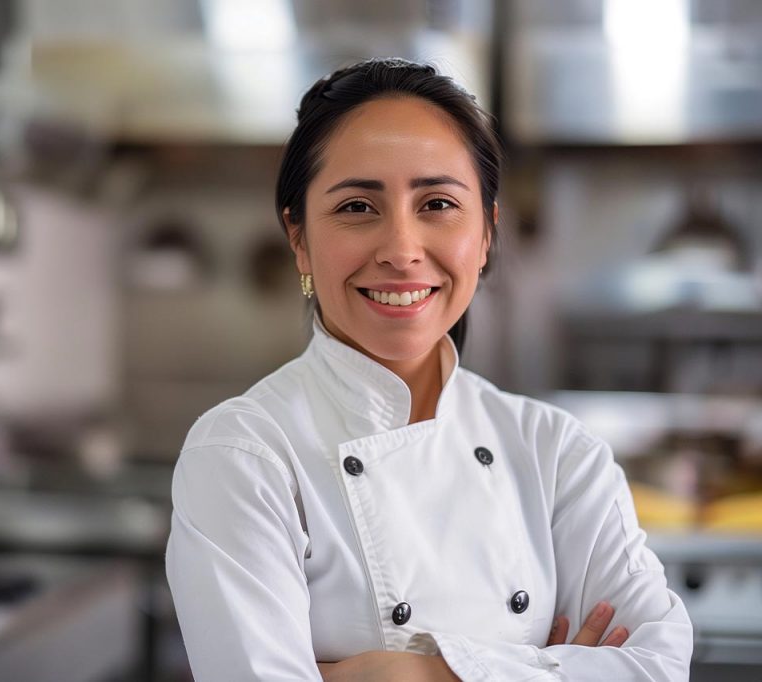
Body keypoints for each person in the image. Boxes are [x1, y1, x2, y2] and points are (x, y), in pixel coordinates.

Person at [165, 58, 693, 681]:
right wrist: (545, 665)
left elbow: (657, 668)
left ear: (488, 233)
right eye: (358, 207)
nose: (401, 250)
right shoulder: (244, 454)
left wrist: (401, 674)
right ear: (299, 237)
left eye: (438, 203)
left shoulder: (556, 454)